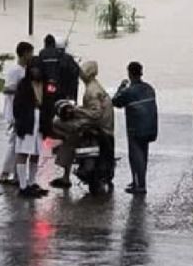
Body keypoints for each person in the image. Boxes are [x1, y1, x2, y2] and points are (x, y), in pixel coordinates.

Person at [49, 60, 115, 189]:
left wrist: (76, 110)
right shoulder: (95, 86)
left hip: (97, 124)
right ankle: (67, 174)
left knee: (57, 124)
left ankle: (66, 172)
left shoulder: (91, 90)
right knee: (70, 137)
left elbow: (95, 114)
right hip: (102, 124)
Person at [112, 62, 158, 195]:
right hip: (151, 126)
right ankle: (137, 181)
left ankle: (140, 185)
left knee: (136, 156)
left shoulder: (129, 91)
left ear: (129, 73)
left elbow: (115, 101)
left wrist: (121, 86)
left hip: (135, 128)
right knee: (144, 155)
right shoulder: (149, 88)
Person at [12, 58, 50, 198]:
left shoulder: (46, 84)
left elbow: (50, 103)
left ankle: (32, 182)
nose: (35, 71)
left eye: (38, 68)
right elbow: (17, 106)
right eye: (33, 68)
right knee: (23, 152)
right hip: (27, 121)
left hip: (40, 121)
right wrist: (19, 123)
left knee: (36, 153)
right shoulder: (24, 85)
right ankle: (23, 186)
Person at [0, 41, 33, 186]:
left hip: (23, 111)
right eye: (30, 52)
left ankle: (15, 174)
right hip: (14, 111)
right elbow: (6, 89)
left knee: (18, 143)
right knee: (14, 143)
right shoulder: (15, 71)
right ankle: (5, 173)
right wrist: (21, 90)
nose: (31, 55)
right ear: (24, 53)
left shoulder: (27, 70)